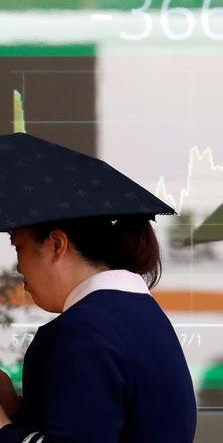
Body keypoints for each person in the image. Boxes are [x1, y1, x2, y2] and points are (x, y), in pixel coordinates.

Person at [0, 133, 196, 443]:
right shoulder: (139, 315)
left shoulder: (84, 332)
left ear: (55, 245)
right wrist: (13, 408)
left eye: (19, 247)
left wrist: (3, 430)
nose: (19, 266)